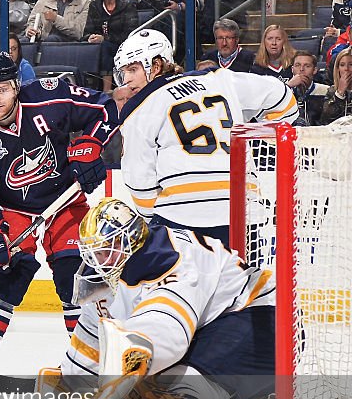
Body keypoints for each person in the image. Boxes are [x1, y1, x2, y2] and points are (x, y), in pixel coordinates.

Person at [64, 197, 276, 399]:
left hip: (263, 321)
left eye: (104, 250)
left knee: (167, 385)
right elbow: (87, 353)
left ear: (129, 240)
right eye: (93, 252)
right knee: (139, 396)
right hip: (220, 327)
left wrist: (131, 360)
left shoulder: (165, 258)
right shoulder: (115, 270)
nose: (98, 259)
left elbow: (166, 330)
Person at [0, 52, 117, 387]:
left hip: (64, 200)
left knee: (76, 280)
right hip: (11, 209)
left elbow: (104, 108)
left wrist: (90, 146)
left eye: (3, 90)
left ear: (16, 86)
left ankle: (88, 362)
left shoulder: (50, 96)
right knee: (11, 275)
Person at [114, 28, 298, 243]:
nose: (127, 79)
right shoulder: (219, 79)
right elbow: (284, 100)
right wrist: (250, 134)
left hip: (181, 216)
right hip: (242, 209)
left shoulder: (139, 108)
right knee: (244, 277)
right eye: (124, 71)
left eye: (133, 69)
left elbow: (140, 182)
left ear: (156, 65)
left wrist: (152, 220)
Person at [84, 0, 137, 92]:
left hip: (122, 47)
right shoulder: (95, 5)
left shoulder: (127, 5)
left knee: (106, 47)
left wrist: (105, 38)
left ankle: (106, 90)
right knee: (98, 47)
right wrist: (90, 37)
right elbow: (87, 31)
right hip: (100, 47)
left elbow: (130, 34)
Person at [288, 50, 326, 126]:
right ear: (292, 69)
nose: (301, 69)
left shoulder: (326, 91)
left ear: (314, 70)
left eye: (307, 66)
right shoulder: (284, 92)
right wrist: (288, 87)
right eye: (297, 65)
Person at [321, 47, 352, 124]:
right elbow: (326, 120)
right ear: (338, 69)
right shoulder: (332, 91)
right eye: (342, 65)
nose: (346, 69)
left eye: (351, 64)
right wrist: (340, 93)